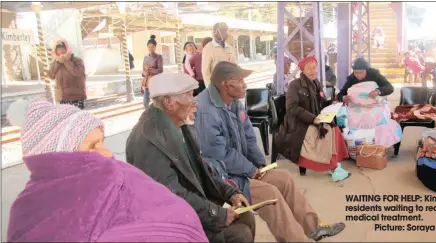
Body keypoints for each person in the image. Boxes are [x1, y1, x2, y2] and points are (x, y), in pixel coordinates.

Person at [5, 99, 208, 242]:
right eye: (93, 146)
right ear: (60, 159)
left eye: (102, 142)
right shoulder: (28, 211)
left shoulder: (116, 173)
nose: (107, 153)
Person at [195, 61, 346, 242]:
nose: (245, 84)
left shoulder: (232, 101)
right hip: (222, 178)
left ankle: (314, 228)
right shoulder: (206, 111)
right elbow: (219, 155)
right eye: (241, 80)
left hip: (240, 169)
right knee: (270, 195)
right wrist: (250, 170)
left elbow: (249, 136)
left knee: (284, 179)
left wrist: (259, 164)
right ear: (226, 84)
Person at [125, 72, 255, 243]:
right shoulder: (149, 140)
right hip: (171, 223)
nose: (195, 104)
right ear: (169, 102)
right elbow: (171, 195)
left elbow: (201, 172)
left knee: (246, 217)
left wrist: (229, 193)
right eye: (189, 98)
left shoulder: (178, 124)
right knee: (240, 234)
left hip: (190, 207)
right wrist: (216, 213)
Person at [275, 57, 350, 177]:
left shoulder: (317, 83)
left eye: (314, 68)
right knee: (327, 132)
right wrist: (312, 118)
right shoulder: (294, 85)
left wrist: (332, 104)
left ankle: (334, 165)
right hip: (298, 123)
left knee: (335, 129)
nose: (312, 71)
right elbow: (292, 108)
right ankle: (330, 166)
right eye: (309, 68)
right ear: (302, 70)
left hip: (314, 118)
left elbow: (322, 103)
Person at [49, 39, 86, 109]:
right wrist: (58, 63)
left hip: (75, 97)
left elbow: (77, 73)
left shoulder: (77, 61)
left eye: (63, 53)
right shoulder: (56, 62)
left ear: (68, 51)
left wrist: (66, 61)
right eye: (58, 54)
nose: (61, 56)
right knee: (65, 119)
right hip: (62, 98)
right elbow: (51, 75)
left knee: (76, 118)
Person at [141, 35, 163, 109]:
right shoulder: (145, 57)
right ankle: (148, 117)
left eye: (152, 46)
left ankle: (158, 117)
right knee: (145, 102)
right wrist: (145, 72)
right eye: (149, 47)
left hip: (155, 83)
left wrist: (150, 70)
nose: (151, 48)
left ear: (155, 47)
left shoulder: (159, 57)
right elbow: (143, 71)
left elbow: (160, 70)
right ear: (147, 47)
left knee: (157, 103)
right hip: (147, 83)